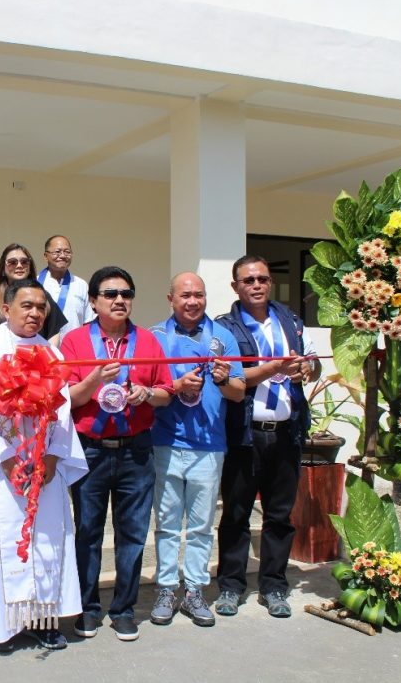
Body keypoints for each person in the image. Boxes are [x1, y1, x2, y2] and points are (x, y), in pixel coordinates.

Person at [0, 279, 88, 652]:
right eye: (27, 306)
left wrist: (48, 459)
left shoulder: (52, 353)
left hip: (42, 466)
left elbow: (61, 412)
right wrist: (12, 459)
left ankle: (44, 620)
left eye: (41, 307)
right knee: (3, 541)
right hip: (3, 465)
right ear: (7, 308)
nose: (35, 313)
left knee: (46, 540)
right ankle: (2, 625)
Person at [60, 266, 174, 642]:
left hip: (135, 452)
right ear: (93, 301)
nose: (120, 300)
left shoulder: (148, 342)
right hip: (90, 451)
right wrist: (96, 379)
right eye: (110, 294)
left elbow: (166, 392)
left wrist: (147, 395)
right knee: (87, 532)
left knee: (133, 534)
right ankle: (88, 609)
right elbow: (68, 399)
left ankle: (124, 609)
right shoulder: (74, 341)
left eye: (126, 293)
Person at [213, 255, 320, 619]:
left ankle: (274, 586)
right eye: (248, 280)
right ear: (235, 287)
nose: (256, 285)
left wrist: (307, 367)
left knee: (279, 515)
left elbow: (314, 361)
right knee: (237, 513)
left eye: (261, 279)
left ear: (270, 282)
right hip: (245, 434)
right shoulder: (224, 329)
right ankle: (230, 586)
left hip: (286, 432)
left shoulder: (289, 320)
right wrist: (271, 368)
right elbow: (228, 380)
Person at [148, 273, 245, 628]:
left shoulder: (223, 337)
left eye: (199, 295)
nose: (193, 301)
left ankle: (194, 590)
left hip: (209, 444)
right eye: (185, 295)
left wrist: (220, 378)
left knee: (202, 525)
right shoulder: (155, 337)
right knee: (168, 523)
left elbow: (237, 392)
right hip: (166, 441)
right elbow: (147, 388)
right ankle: (167, 588)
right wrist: (175, 386)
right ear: (170, 298)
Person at [0, 243, 67, 348]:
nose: (19, 265)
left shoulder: (43, 296)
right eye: (12, 262)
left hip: (39, 359)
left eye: (24, 262)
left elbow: (54, 333)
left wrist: (47, 357)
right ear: (3, 268)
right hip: (3, 360)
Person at [39, 235, 95, 341]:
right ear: (46, 256)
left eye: (67, 252)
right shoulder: (35, 284)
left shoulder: (81, 285)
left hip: (74, 349)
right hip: (41, 349)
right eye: (57, 252)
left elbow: (88, 322)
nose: (63, 255)